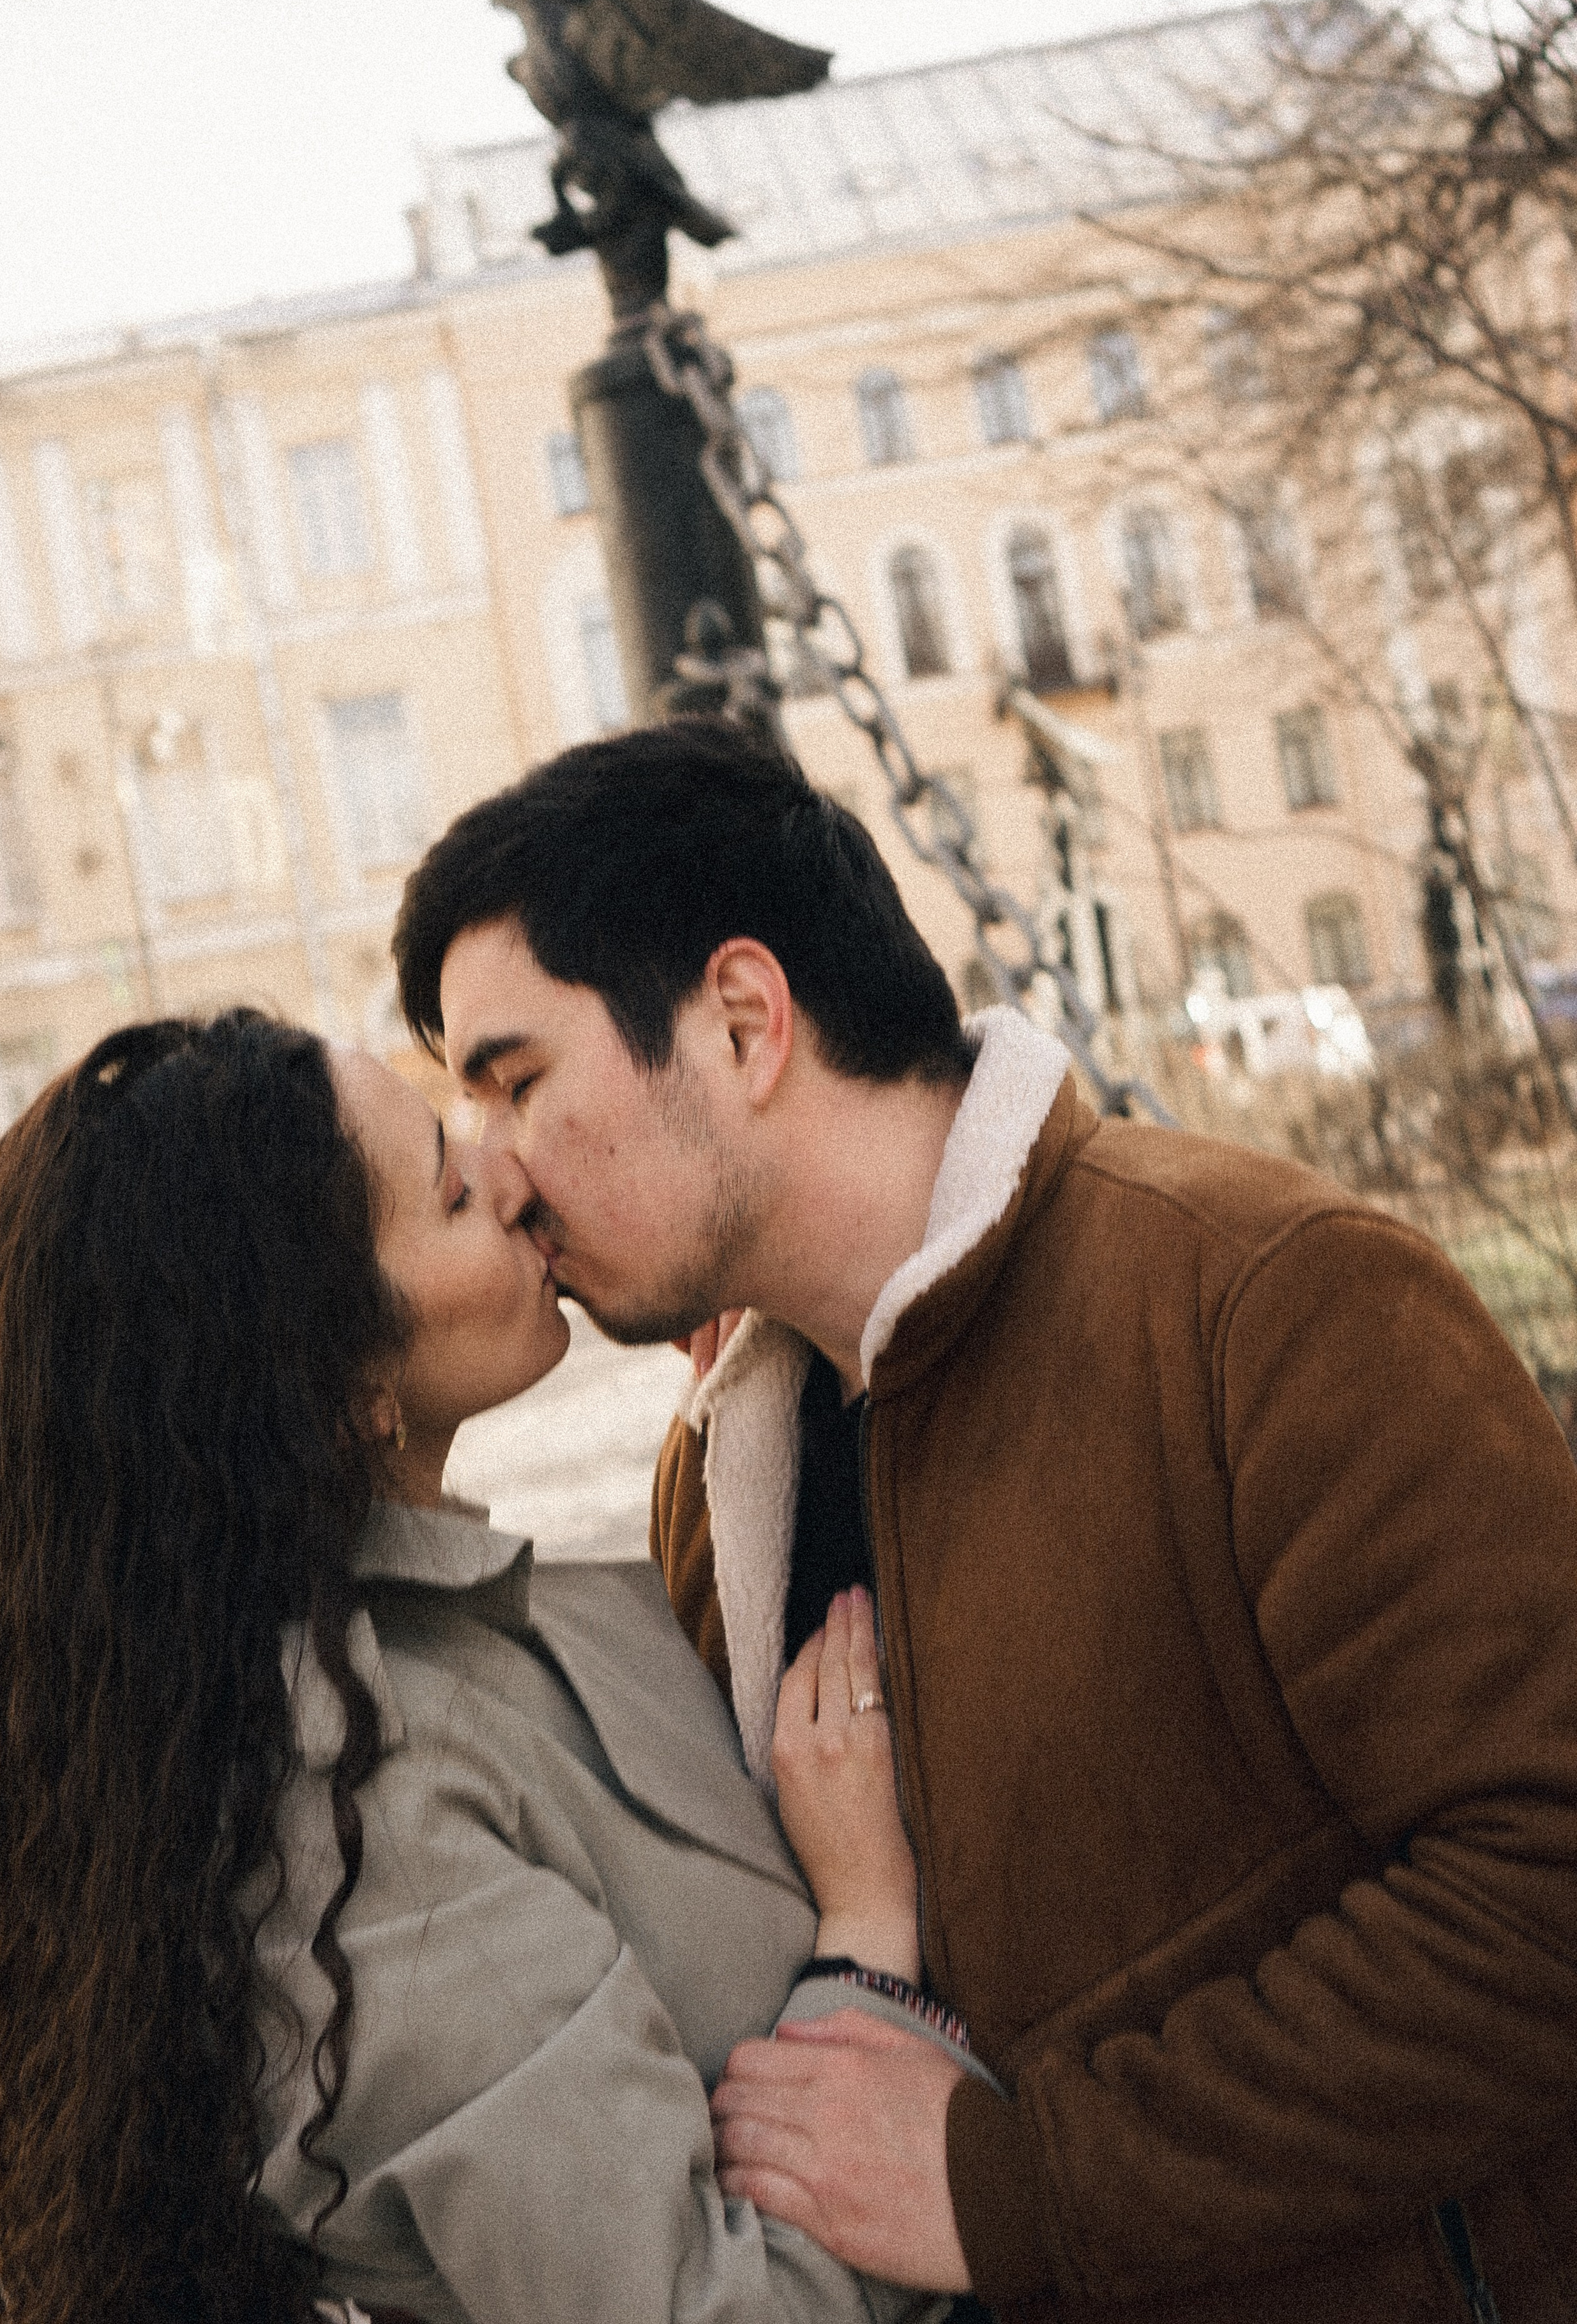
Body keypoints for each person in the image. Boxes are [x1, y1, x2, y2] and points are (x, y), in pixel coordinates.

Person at [393, 716, 1577, 2324]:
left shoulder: (1263, 1303)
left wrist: (1022, 2186)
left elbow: (1540, 1893)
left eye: (516, 1082)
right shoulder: (715, 1482)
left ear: (743, 1020)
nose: (502, 1174)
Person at [0, 1008, 981, 2324]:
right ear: (339, 1383)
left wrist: (744, 1415)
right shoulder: (366, 1827)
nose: (509, 1174)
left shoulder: (418, 1642)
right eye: (448, 1190)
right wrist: (867, 1945)